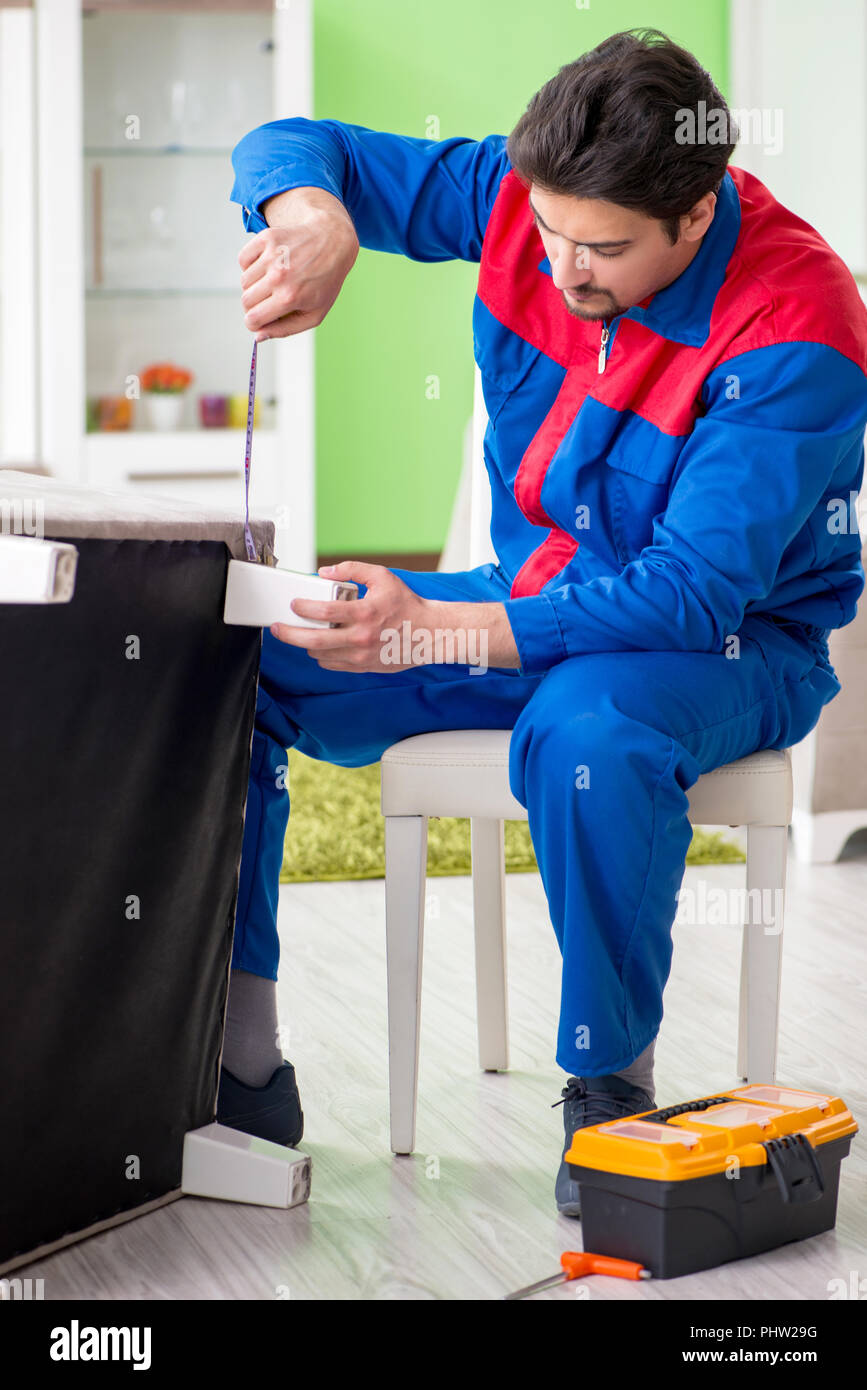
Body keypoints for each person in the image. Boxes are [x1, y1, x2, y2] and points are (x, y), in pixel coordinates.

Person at [217, 28, 867, 1215]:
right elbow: (290, 144)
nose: (563, 266)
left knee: (591, 737)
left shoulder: (798, 320)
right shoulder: (526, 200)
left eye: (604, 247)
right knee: (239, 663)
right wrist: (312, 216)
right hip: (529, 602)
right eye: (550, 230)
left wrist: (431, 630)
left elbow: (688, 597)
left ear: (696, 210)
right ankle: (240, 1068)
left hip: (721, 649)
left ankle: (608, 1091)